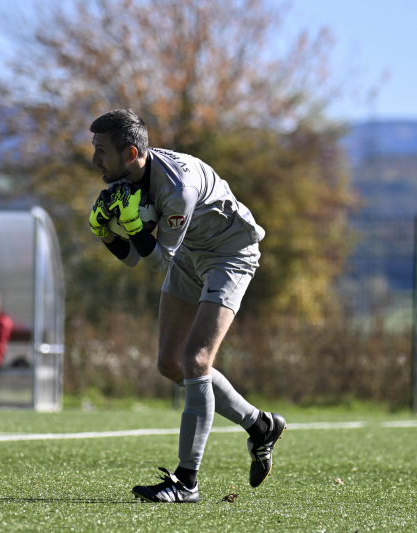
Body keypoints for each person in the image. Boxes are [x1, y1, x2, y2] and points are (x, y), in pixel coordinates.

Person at [88, 110, 286, 503]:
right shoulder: (128, 180)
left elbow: (158, 259)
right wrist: (110, 237)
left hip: (229, 254)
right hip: (190, 255)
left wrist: (135, 230)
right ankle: (260, 426)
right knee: (170, 364)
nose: (94, 160)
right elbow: (134, 260)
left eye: (101, 151)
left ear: (130, 152)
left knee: (196, 361)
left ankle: (186, 482)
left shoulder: (176, 188)